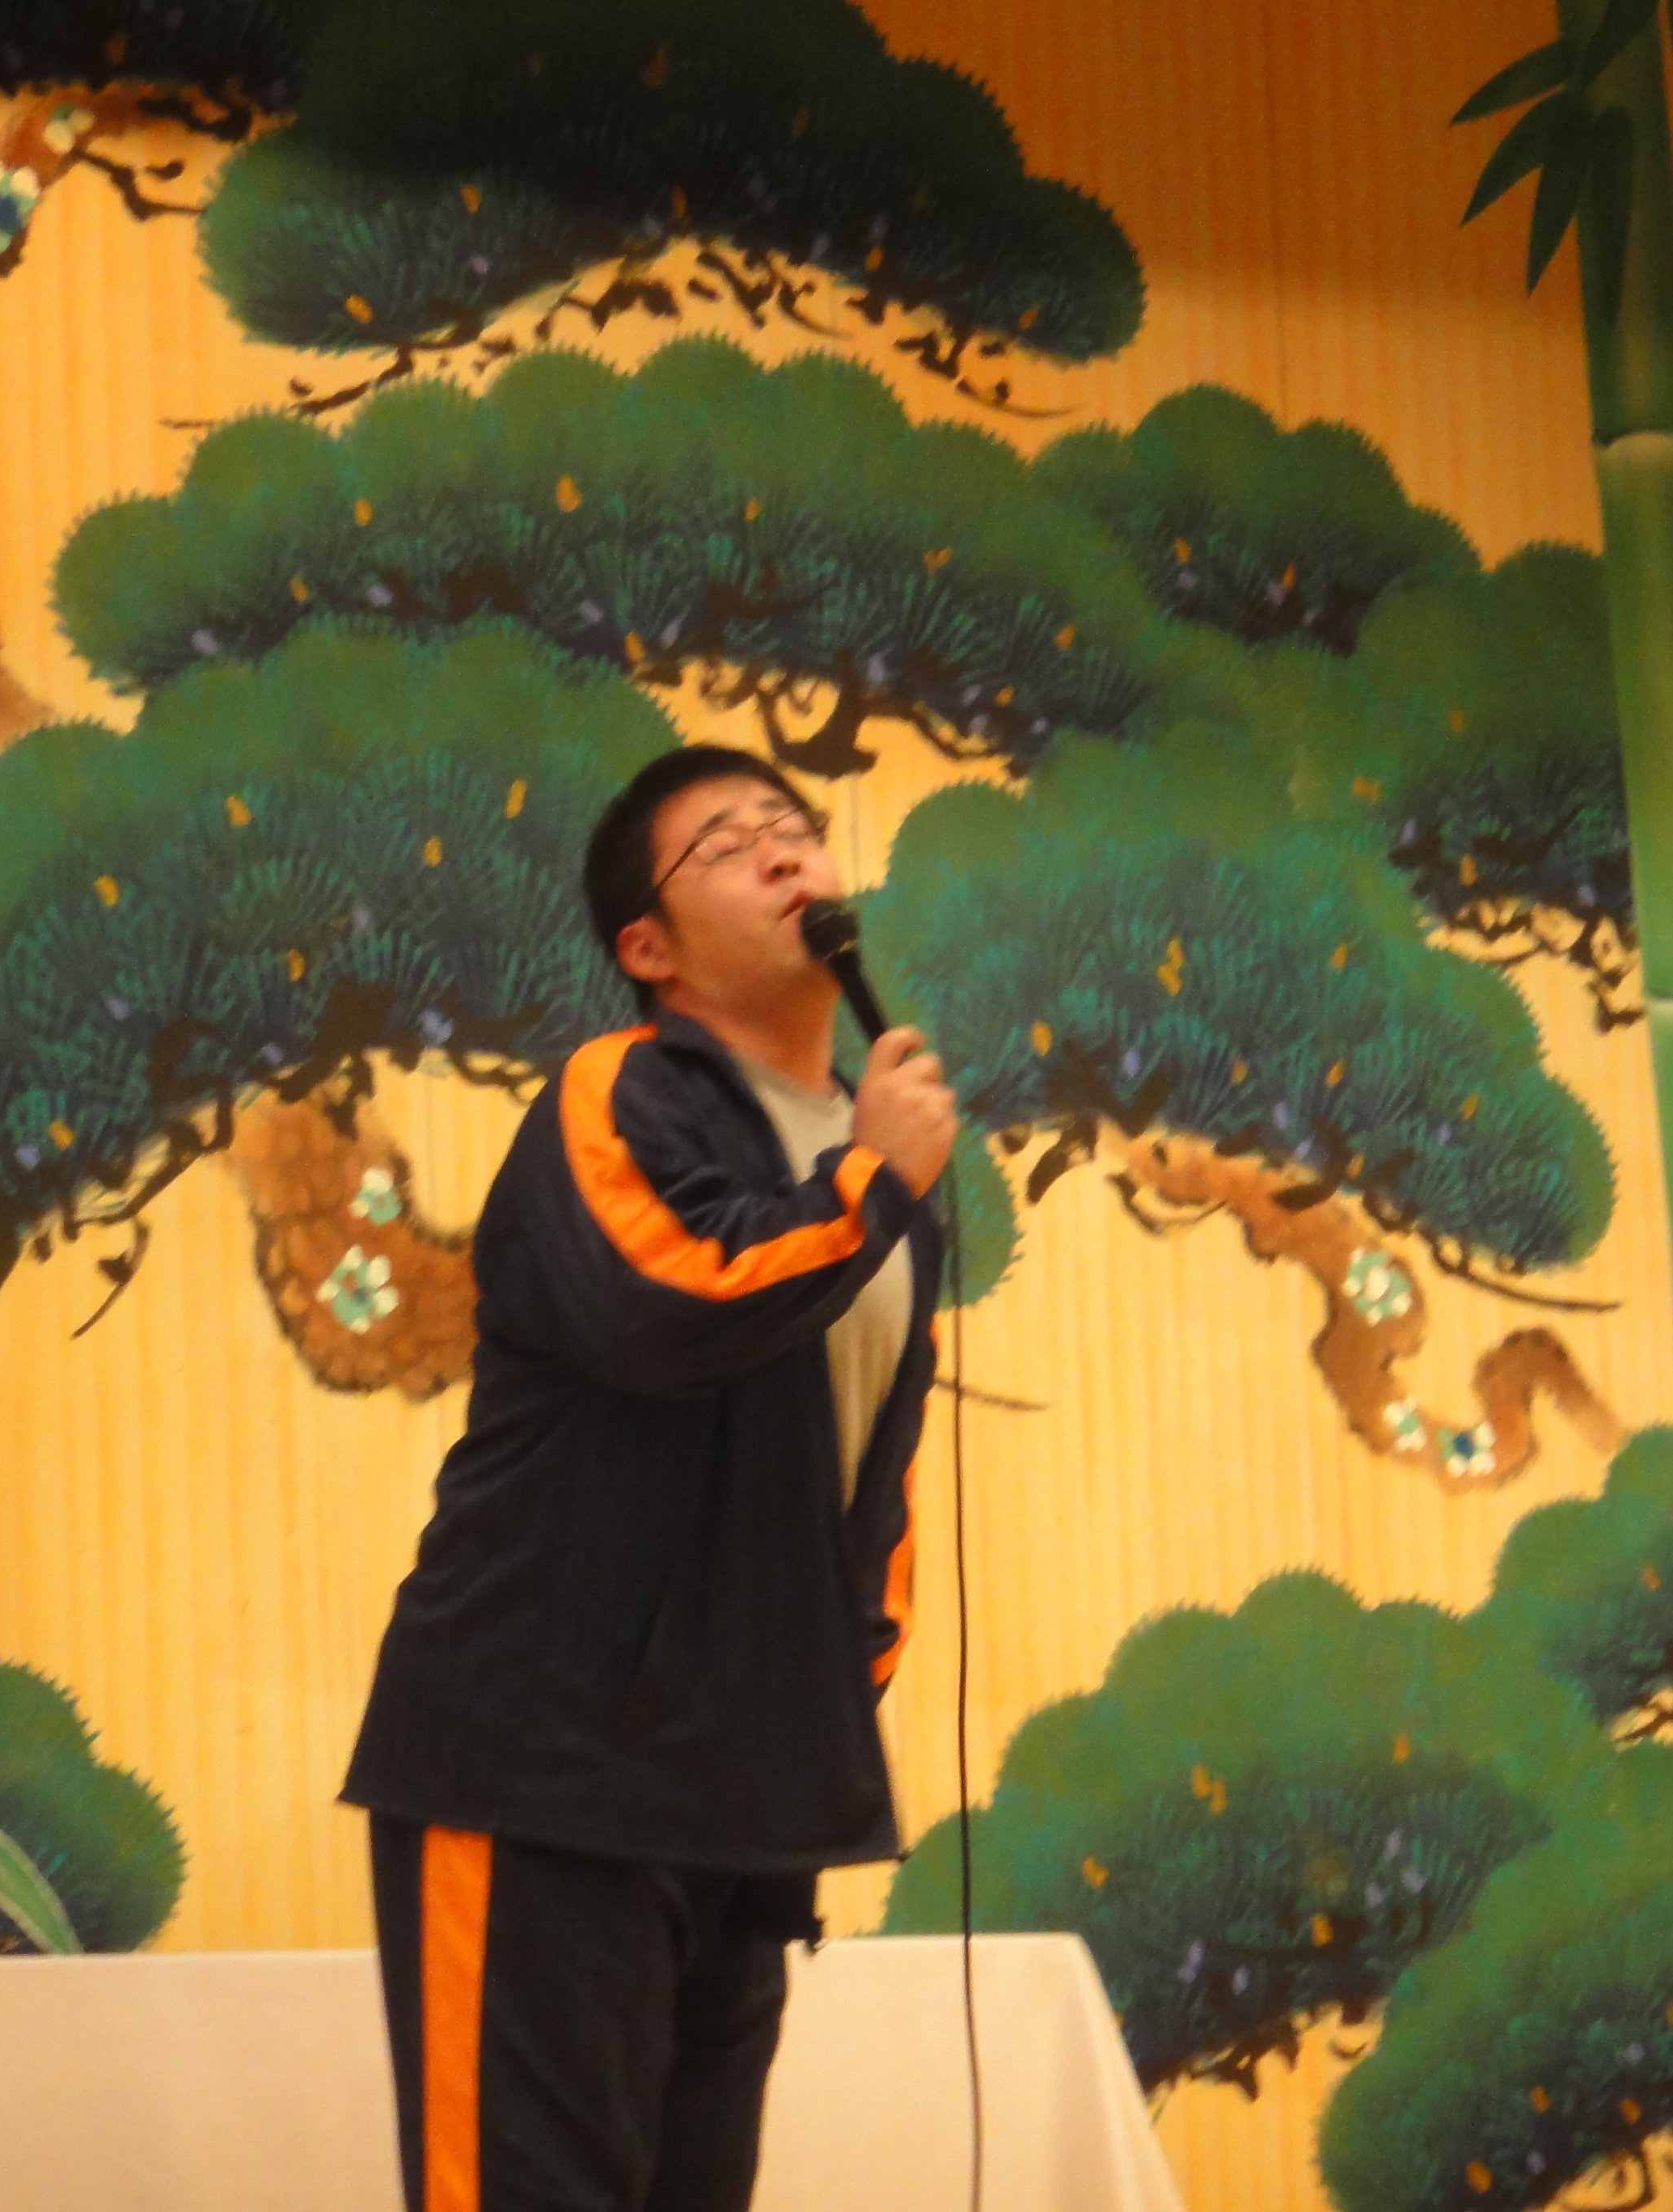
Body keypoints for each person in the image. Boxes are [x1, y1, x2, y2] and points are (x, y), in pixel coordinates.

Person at [343, 744, 959, 2212]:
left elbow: (870, 1478)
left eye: (797, 828)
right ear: (648, 949)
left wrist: (836, 1688)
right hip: (541, 1775)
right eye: (729, 845)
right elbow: (668, 1301)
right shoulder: (620, 1092)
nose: (786, 852)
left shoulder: (877, 1169)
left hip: (743, 1801)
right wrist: (869, 1185)